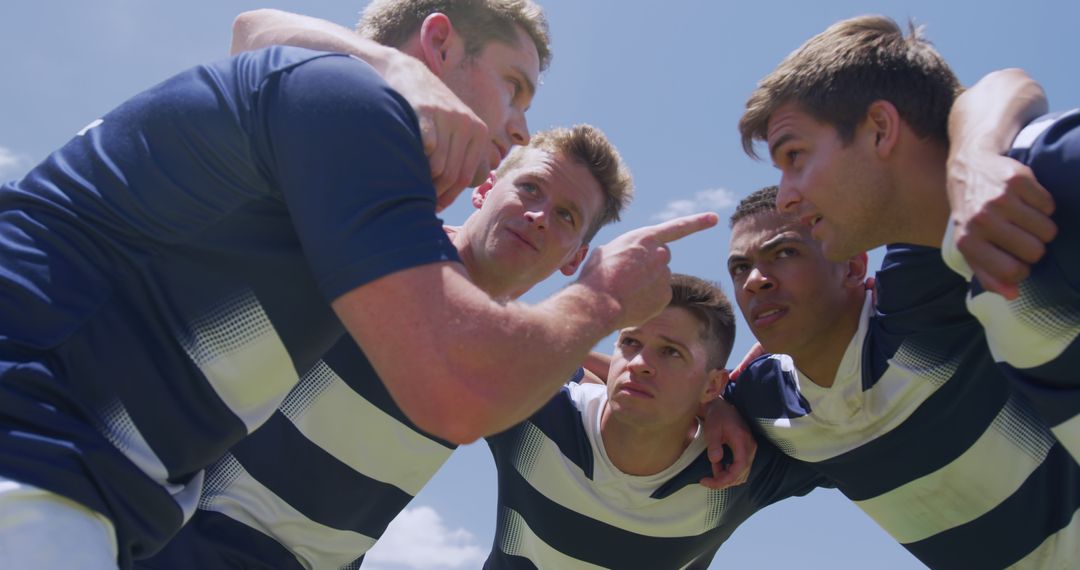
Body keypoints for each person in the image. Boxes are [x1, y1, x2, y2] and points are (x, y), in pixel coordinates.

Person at [0, 0, 718, 566]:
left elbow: (255, 31)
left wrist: (706, 407)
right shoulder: (355, 113)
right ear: (438, 44)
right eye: (514, 85)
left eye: (566, 216)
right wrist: (603, 298)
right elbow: (462, 382)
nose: (518, 120)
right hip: (46, 462)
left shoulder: (335, 138)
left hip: (97, 496)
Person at [137, 124, 633, 569]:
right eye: (529, 188)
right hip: (191, 534)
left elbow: (625, 394)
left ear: (575, 259)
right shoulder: (378, 245)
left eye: (567, 215)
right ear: (484, 189)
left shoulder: (518, 356)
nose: (540, 215)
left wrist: (713, 408)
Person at [737, 15, 1078, 464]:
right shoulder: (966, 264)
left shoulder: (1044, 176)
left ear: (880, 127)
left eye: (794, 156)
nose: (784, 198)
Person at [722, 185, 1080, 568]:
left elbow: (945, 175)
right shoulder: (763, 401)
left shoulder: (917, 308)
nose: (755, 280)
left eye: (785, 252)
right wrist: (717, 410)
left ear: (855, 267)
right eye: (740, 267)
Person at [483, 274, 824, 568]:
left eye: (671, 352)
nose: (639, 363)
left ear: (712, 384)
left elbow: (863, 425)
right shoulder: (534, 413)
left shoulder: (737, 467)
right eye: (630, 342)